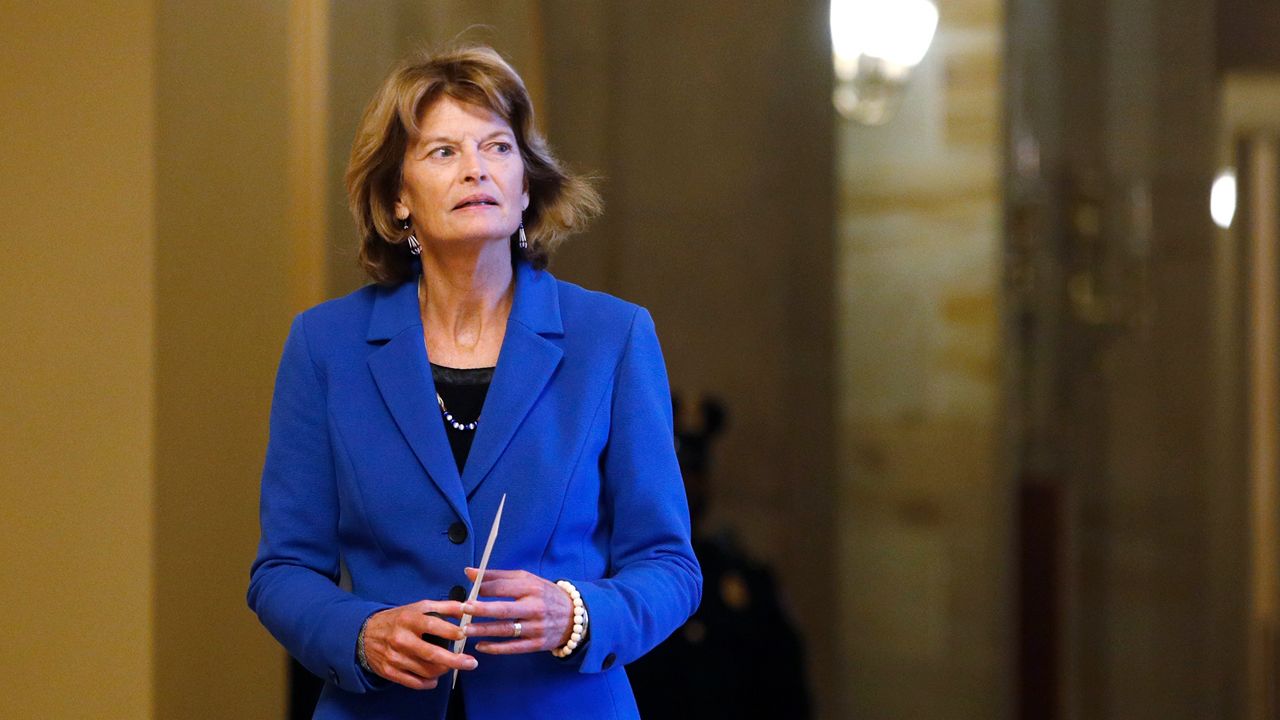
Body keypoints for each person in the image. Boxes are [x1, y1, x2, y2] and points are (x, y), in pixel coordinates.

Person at [247, 45, 701, 720]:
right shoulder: (325, 345)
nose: (476, 169)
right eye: (443, 153)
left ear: (524, 188)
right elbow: (281, 572)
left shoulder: (613, 337)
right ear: (398, 198)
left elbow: (669, 564)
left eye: (497, 147)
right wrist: (359, 634)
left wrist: (574, 614)